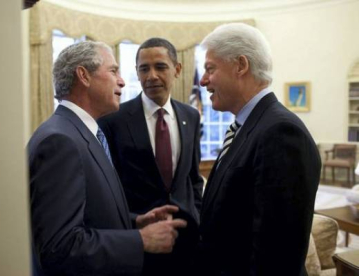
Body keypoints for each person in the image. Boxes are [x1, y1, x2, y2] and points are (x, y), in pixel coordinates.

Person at [27, 41, 187, 276]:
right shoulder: (60, 142)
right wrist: (140, 240)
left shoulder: (81, 132)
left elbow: (89, 215)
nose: (122, 81)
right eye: (113, 71)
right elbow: (60, 248)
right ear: (84, 75)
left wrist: (134, 222)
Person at [197, 23, 321, 276]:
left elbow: (278, 254)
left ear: (241, 65)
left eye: (210, 68)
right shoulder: (248, 126)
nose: (203, 80)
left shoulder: (281, 133)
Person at [98, 38, 203, 275]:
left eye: (160, 66)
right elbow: (107, 188)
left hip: (187, 240)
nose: (151, 75)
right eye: (144, 69)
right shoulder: (113, 119)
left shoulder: (191, 116)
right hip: (137, 241)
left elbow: (194, 178)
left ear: (177, 70)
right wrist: (133, 222)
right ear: (136, 72)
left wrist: (197, 216)